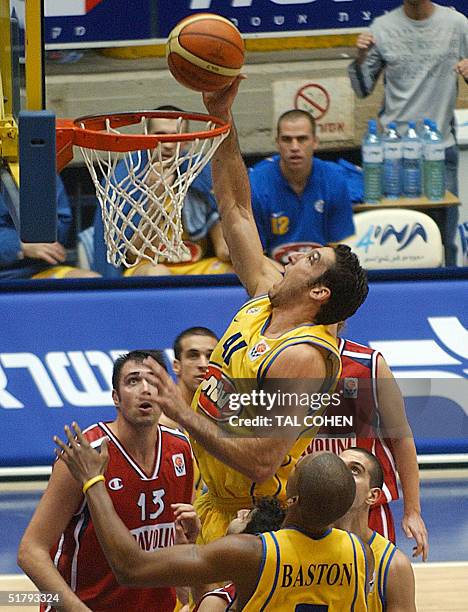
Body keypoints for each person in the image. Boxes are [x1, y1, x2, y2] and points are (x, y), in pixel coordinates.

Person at [139, 77, 369, 545]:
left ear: (320, 294)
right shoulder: (266, 294)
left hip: (259, 519)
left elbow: (263, 461)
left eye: (310, 259)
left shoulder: (302, 357)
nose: (294, 256)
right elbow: (237, 208)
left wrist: (179, 411)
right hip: (210, 499)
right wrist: (220, 114)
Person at [53, 436, 372, 611]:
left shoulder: (252, 554)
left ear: (292, 499)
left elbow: (131, 567)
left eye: (295, 474)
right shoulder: (362, 555)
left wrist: (93, 480)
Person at [18, 350, 194, 612]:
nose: (145, 390)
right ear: (116, 397)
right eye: (133, 381)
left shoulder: (180, 449)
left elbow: (178, 543)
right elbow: (30, 551)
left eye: (154, 381)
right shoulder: (84, 453)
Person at [348, 0, 468, 266]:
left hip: (439, 150)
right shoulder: (382, 27)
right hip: (393, 154)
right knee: (395, 244)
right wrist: (360, 57)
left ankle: (447, 300)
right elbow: (362, 88)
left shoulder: (457, 24)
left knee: (443, 240)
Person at [306, 331, 429, 559]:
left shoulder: (368, 365)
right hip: (305, 508)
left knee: (375, 590)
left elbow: (401, 437)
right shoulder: (279, 362)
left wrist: (413, 511)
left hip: (365, 510)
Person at [89, 106, 232, 278]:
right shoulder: (124, 180)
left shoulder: (201, 176)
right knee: (158, 273)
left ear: (187, 142)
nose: (169, 145)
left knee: (237, 271)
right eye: (161, 136)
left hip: (195, 265)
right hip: (147, 265)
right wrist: (155, 199)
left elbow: (222, 246)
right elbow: (137, 255)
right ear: (146, 138)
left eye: (176, 137)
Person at [248, 109, 356, 265]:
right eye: (287, 139)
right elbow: (255, 257)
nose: (294, 147)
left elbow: (338, 249)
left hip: (321, 272)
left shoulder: (334, 180)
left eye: (302, 139)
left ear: (315, 141)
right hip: (273, 272)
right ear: (277, 142)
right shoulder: (256, 183)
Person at [337, 447, 417, 611]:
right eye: (337, 466)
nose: (342, 474)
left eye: (354, 470)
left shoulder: (394, 565)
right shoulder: (298, 545)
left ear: (373, 495)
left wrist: (413, 511)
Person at [194, 497, 285, 612]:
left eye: (246, 517)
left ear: (244, 541)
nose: (240, 512)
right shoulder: (283, 592)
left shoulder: (218, 603)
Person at [0, 175, 99, 280]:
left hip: (38, 269)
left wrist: (44, 235)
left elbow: (61, 223)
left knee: (92, 282)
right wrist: (19, 245)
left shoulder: (39, 165)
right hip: (5, 271)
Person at [159, 326, 219, 430]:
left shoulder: (234, 418)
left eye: (211, 356)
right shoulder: (156, 421)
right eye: (193, 356)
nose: (203, 364)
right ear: (176, 366)